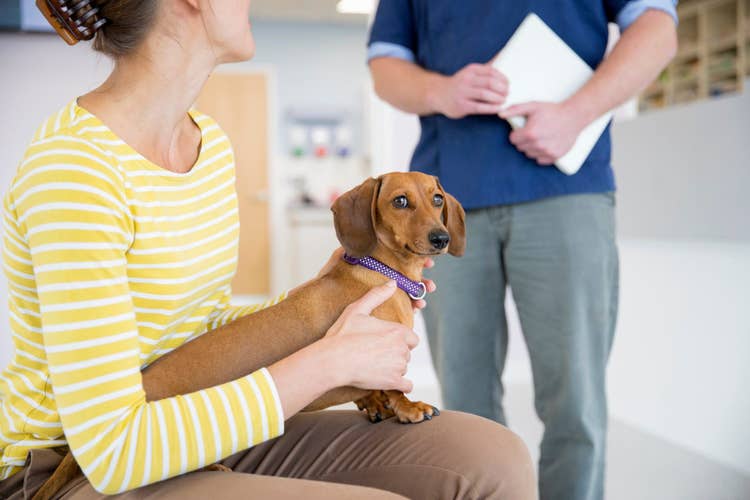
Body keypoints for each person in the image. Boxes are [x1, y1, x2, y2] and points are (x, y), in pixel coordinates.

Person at [0, 1, 538, 499]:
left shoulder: (205, 143)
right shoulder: (75, 172)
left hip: (195, 415)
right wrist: (327, 363)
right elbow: (114, 449)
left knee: (495, 459)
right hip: (74, 460)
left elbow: (199, 325)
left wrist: (327, 301)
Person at [368, 2, 678, 499]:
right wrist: (439, 91)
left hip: (567, 189)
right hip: (447, 202)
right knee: (465, 406)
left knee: (575, 401)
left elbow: (658, 27)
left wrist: (576, 114)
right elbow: (385, 64)